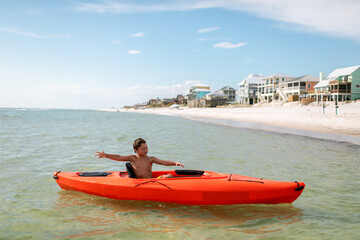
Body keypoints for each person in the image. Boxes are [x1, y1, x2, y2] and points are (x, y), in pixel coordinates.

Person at [95, 138, 184, 178]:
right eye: (143, 149)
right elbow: (119, 157)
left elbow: (163, 162)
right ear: (136, 150)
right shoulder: (133, 159)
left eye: (146, 148)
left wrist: (174, 163)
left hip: (152, 181)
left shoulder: (150, 159)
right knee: (168, 177)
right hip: (140, 183)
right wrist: (106, 155)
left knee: (169, 176)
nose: (146, 150)